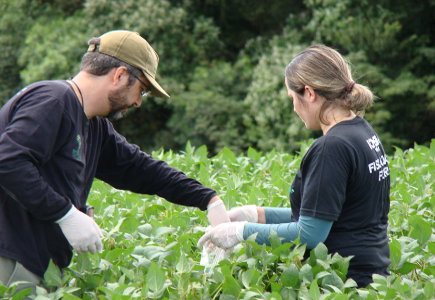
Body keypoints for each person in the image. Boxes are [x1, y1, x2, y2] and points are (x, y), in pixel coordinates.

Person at [0, 30, 230, 293]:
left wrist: (208, 199)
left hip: (37, 266)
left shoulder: (94, 126)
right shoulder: (54, 101)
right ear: (119, 75)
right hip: (10, 260)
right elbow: (8, 161)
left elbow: (140, 169)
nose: (138, 102)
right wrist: (64, 213)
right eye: (141, 89)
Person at [198, 44, 391, 288]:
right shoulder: (362, 132)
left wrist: (240, 232)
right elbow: (325, 214)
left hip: (344, 283)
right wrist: (256, 215)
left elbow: (310, 233)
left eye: (293, 98)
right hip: (372, 276)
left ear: (309, 93)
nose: (294, 108)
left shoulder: (331, 148)